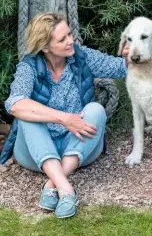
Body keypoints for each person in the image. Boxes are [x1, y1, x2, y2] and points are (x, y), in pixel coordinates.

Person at [1, 12, 128, 219]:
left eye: (69, 34)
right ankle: (66, 189)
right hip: (36, 154)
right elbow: (14, 105)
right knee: (27, 113)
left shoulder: (81, 56)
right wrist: (63, 118)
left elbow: (123, 68)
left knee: (96, 109)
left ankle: (54, 184)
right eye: (62, 39)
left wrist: (135, 54)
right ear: (44, 47)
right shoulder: (28, 67)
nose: (71, 41)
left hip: (77, 149)